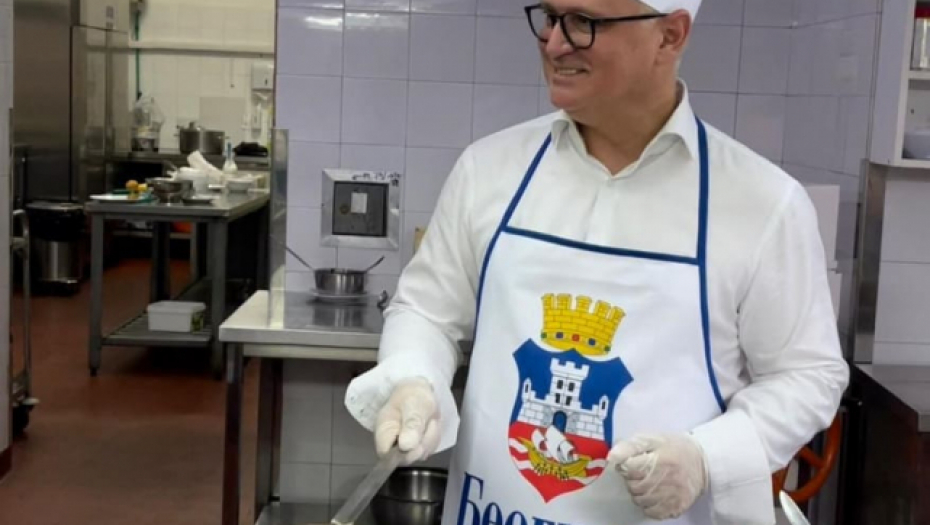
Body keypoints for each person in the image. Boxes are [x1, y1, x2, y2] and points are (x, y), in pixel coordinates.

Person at [345, 0, 849, 523]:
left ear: (671, 35)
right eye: (550, 16)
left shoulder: (763, 204)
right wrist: (414, 378)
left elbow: (807, 375)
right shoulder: (489, 170)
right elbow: (427, 310)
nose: (555, 43)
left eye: (584, 23)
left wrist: (707, 457)